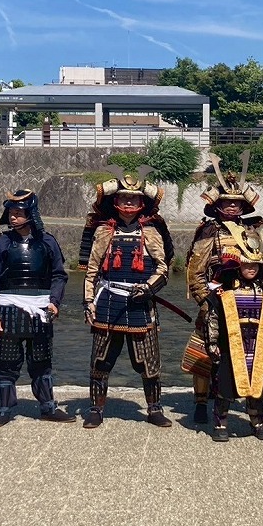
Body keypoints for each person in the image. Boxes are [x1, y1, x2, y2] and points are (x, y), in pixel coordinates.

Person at [184, 152, 263, 423]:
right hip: (216, 298)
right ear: (218, 205)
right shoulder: (209, 231)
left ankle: (253, 401)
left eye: (237, 203)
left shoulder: (256, 229)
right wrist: (204, 300)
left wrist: (262, 264)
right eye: (227, 202)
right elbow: (195, 270)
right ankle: (201, 402)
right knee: (205, 350)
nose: (233, 207)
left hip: (248, 299)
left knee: (251, 350)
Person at [81, 168, 173, 429]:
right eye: (124, 197)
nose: (129, 202)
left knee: (149, 362)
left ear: (142, 202)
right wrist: (88, 302)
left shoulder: (151, 232)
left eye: (134, 198)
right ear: (115, 201)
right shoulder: (103, 231)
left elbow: (162, 268)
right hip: (107, 301)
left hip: (140, 303)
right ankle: (96, 409)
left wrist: (148, 288)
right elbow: (92, 270)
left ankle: (154, 409)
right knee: (100, 361)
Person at [0, 189, 75, 427]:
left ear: (30, 214)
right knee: (7, 362)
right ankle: (2, 409)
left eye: (18, 212)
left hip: (41, 309)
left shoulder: (48, 242)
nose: (13, 217)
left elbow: (59, 275)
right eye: (11, 212)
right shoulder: (2, 243)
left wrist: (54, 301)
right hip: (9, 309)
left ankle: (48, 407)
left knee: (42, 361)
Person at [205, 222, 263, 442]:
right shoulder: (223, 292)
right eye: (247, 264)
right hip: (231, 346)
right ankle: (221, 422)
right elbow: (213, 318)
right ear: (239, 265)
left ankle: (257, 420)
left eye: (255, 265)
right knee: (226, 385)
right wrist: (212, 343)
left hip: (257, 346)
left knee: (257, 384)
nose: (251, 269)